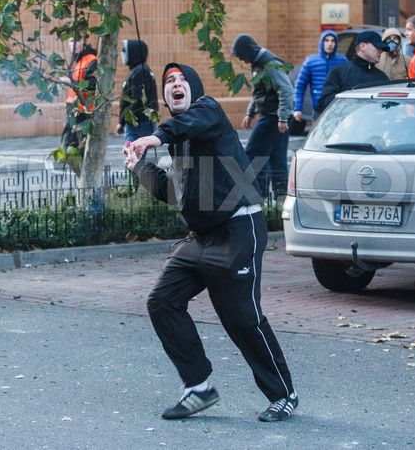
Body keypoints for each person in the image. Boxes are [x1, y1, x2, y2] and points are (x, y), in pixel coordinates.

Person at [125, 63, 297, 422]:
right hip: (202, 238)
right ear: (166, 98)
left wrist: (155, 137)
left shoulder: (209, 111)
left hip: (238, 229)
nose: (175, 84)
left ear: (195, 88)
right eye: (169, 81)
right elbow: (174, 193)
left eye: (181, 79)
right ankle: (198, 387)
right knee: (162, 301)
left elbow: (187, 123)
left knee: (241, 318)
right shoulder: (181, 141)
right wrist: (139, 166)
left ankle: (284, 394)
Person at [232, 34, 294, 197]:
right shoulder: (257, 63)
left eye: (242, 57)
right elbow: (259, 91)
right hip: (272, 115)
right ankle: (279, 201)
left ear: (248, 52)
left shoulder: (270, 63)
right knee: (276, 159)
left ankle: (262, 198)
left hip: (273, 117)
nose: (242, 61)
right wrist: (250, 113)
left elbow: (285, 89)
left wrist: (282, 117)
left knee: (253, 156)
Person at [317, 30, 389, 112]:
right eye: (377, 47)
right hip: (346, 123)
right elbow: (324, 102)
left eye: (381, 48)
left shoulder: (382, 77)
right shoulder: (339, 72)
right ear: (362, 46)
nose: (381, 51)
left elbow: (387, 107)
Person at [292, 30, 346, 131]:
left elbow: (348, 84)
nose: (330, 44)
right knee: (317, 139)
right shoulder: (311, 61)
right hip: (318, 108)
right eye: (326, 40)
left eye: (332, 41)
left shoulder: (342, 61)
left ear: (336, 43)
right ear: (322, 42)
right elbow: (300, 86)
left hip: (337, 108)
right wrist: (297, 108)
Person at [116, 39, 157, 144]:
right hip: (137, 123)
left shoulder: (140, 72)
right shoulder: (138, 71)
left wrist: (123, 120)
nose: (123, 53)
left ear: (134, 52)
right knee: (134, 157)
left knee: (134, 156)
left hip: (138, 123)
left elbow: (137, 101)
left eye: (125, 50)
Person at [61, 39, 97, 158]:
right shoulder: (77, 60)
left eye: (76, 40)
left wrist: (70, 82)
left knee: (76, 149)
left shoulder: (91, 60)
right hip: (74, 110)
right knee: (69, 148)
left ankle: (82, 174)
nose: (73, 44)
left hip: (84, 112)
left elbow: (91, 85)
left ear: (85, 41)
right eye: (70, 41)